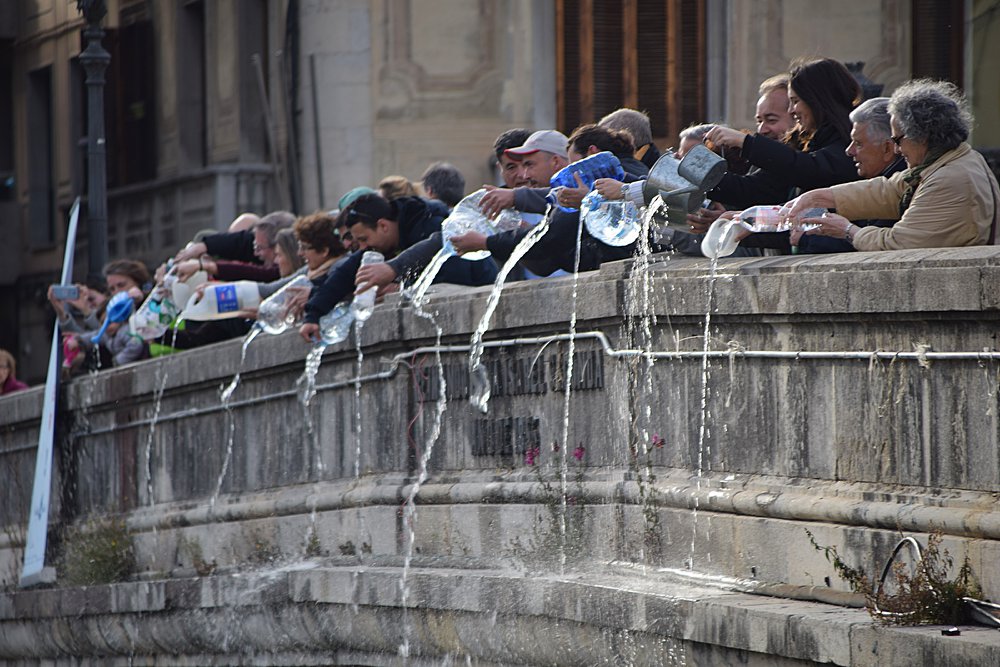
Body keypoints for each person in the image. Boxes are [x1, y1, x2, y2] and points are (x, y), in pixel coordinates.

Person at [783, 79, 1000, 251]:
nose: (897, 150)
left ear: (921, 137)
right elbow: (890, 189)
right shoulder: (952, 160)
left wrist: (847, 231)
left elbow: (899, 243)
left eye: (897, 140)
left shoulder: (950, 178)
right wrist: (816, 197)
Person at [298, 193, 498, 342]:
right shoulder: (381, 243)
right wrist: (313, 315)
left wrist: (403, 287)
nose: (364, 247)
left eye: (364, 239)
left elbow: (454, 276)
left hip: (477, 312)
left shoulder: (432, 225)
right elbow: (342, 277)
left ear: (383, 225)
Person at [703, 57, 861, 210]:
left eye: (796, 101)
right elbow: (757, 190)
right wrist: (692, 173)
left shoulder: (853, 141)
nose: (792, 110)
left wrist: (746, 142)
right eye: (759, 121)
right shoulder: (806, 145)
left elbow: (810, 169)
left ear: (818, 100)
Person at [793, 97, 906, 253]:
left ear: (887, 148)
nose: (849, 151)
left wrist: (809, 239)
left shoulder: (905, 187)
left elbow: (880, 248)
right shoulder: (873, 180)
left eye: (858, 144)